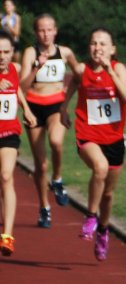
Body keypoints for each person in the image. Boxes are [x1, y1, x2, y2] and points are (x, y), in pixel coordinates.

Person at [60, 28, 126, 262]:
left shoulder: (119, 69)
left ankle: (103, 229)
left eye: (103, 44)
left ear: (112, 49)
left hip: (114, 139)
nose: (98, 48)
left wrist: (111, 72)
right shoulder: (82, 69)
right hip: (87, 135)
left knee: (109, 194)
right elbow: (73, 84)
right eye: (94, 43)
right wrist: (64, 108)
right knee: (100, 167)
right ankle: (91, 216)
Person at [19, 13, 80, 226]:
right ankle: (44, 208)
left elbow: (79, 76)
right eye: (41, 30)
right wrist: (37, 66)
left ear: (55, 31)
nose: (46, 34)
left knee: (56, 141)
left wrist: (66, 101)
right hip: (34, 107)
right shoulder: (30, 53)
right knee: (41, 164)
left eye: (49, 30)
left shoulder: (65, 52)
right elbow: (21, 86)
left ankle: (57, 178)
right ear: (36, 33)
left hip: (56, 106)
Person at [0, 29, 37, 256]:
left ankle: (7, 236)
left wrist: (27, 110)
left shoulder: (14, 69)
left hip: (9, 133)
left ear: (12, 52)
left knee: (6, 176)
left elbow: (17, 91)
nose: (2, 56)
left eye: (6, 52)